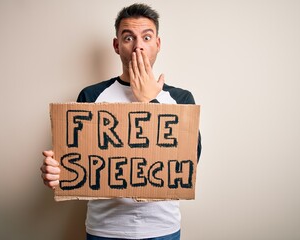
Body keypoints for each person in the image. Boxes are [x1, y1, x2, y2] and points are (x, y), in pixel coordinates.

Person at [40, 3, 202, 240]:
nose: (138, 46)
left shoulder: (180, 99)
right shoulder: (91, 96)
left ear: (158, 44)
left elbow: (190, 161)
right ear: (117, 45)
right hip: (105, 229)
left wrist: (150, 100)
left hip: (162, 229)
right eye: (128, 38)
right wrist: (56, 172)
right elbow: (76, 161)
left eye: (146, 37)